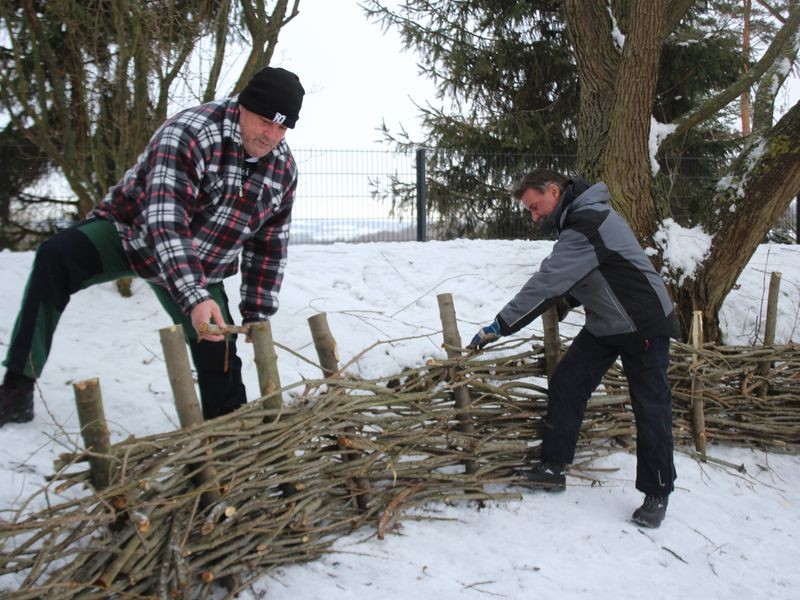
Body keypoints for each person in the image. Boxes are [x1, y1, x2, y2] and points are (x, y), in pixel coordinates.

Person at [0, 66, 304, 426]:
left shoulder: (282, 169)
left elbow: (269, 245)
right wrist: (193, 295)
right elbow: (166, 221)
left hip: (203, 267)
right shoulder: (190, 133)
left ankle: (226, 436)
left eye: (282, 127)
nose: (272, 135)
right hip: (133, 236)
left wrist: (257, 310)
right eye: (265, 121)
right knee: (57, 256)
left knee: (218, 350)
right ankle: (17, 387)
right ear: (243, 105)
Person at [468, 169, 680, 528]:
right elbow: (593, 272)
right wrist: (570, 298)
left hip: (644, 322)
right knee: (568, 381)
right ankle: (553, 467)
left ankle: (657, 491)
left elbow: (548, 281)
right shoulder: (579, 220)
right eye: (530, 212)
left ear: (554, 191)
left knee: (650, 403)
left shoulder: (587, 221)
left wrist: (500, 325)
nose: (535, 216)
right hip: (607, 322)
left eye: (536, 207)